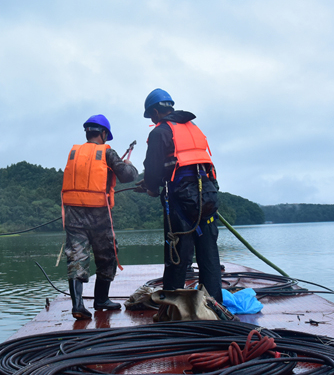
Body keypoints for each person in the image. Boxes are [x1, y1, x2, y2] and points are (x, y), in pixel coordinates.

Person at [137, 88, 223, 303]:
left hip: (181, 197)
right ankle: (213, 305)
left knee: (177, 253)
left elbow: (154, 167)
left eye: (151, 116)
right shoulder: (193, 128)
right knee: (209, 253)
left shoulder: (160, 131)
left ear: (156, 112)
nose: (152, 120)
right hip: (207, 195)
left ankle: (173, 307)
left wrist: (150, 187)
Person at [62, 114, 138, 319]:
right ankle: (101, 299)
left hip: (73, 216)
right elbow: (128, 176)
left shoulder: (74, 152)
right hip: (99, 216)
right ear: (104, 133)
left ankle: (78, 305)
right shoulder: (107, 152)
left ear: (88, 132)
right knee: (107, 255)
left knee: (77, 257)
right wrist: (128, 164)